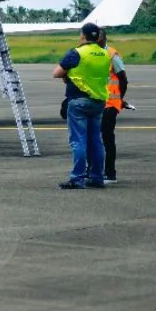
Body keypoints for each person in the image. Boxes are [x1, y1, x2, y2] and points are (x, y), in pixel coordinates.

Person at [53, 22, 112, 189]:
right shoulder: (105, 54)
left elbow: (56, 73)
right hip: (98, 101)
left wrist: (68, 74)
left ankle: (77, 178)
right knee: (96, 141)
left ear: (82, 35)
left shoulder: (77, 52)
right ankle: (97, 177)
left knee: (78, 141)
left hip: (79, 100)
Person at [97, 28, 128, 184]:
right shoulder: (94, 54)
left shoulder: (112, 55)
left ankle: (110, 174)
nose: (96, 39)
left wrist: (120, 99)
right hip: (97, 103)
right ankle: (96, 171)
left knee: (107, 139)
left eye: (99, 36)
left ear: (104, 38)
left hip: (110, 104)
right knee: (96, 139)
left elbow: (123, 79)